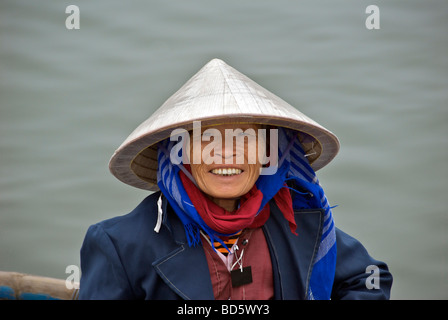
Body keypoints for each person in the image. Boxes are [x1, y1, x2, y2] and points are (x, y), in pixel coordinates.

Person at [79, 59, 392, 300]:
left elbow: (368, 278)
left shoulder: (302, 222)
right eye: (207, 139)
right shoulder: (120, 245)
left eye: (244, 137)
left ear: (270, 153)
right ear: (180, 153)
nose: (227, 155)